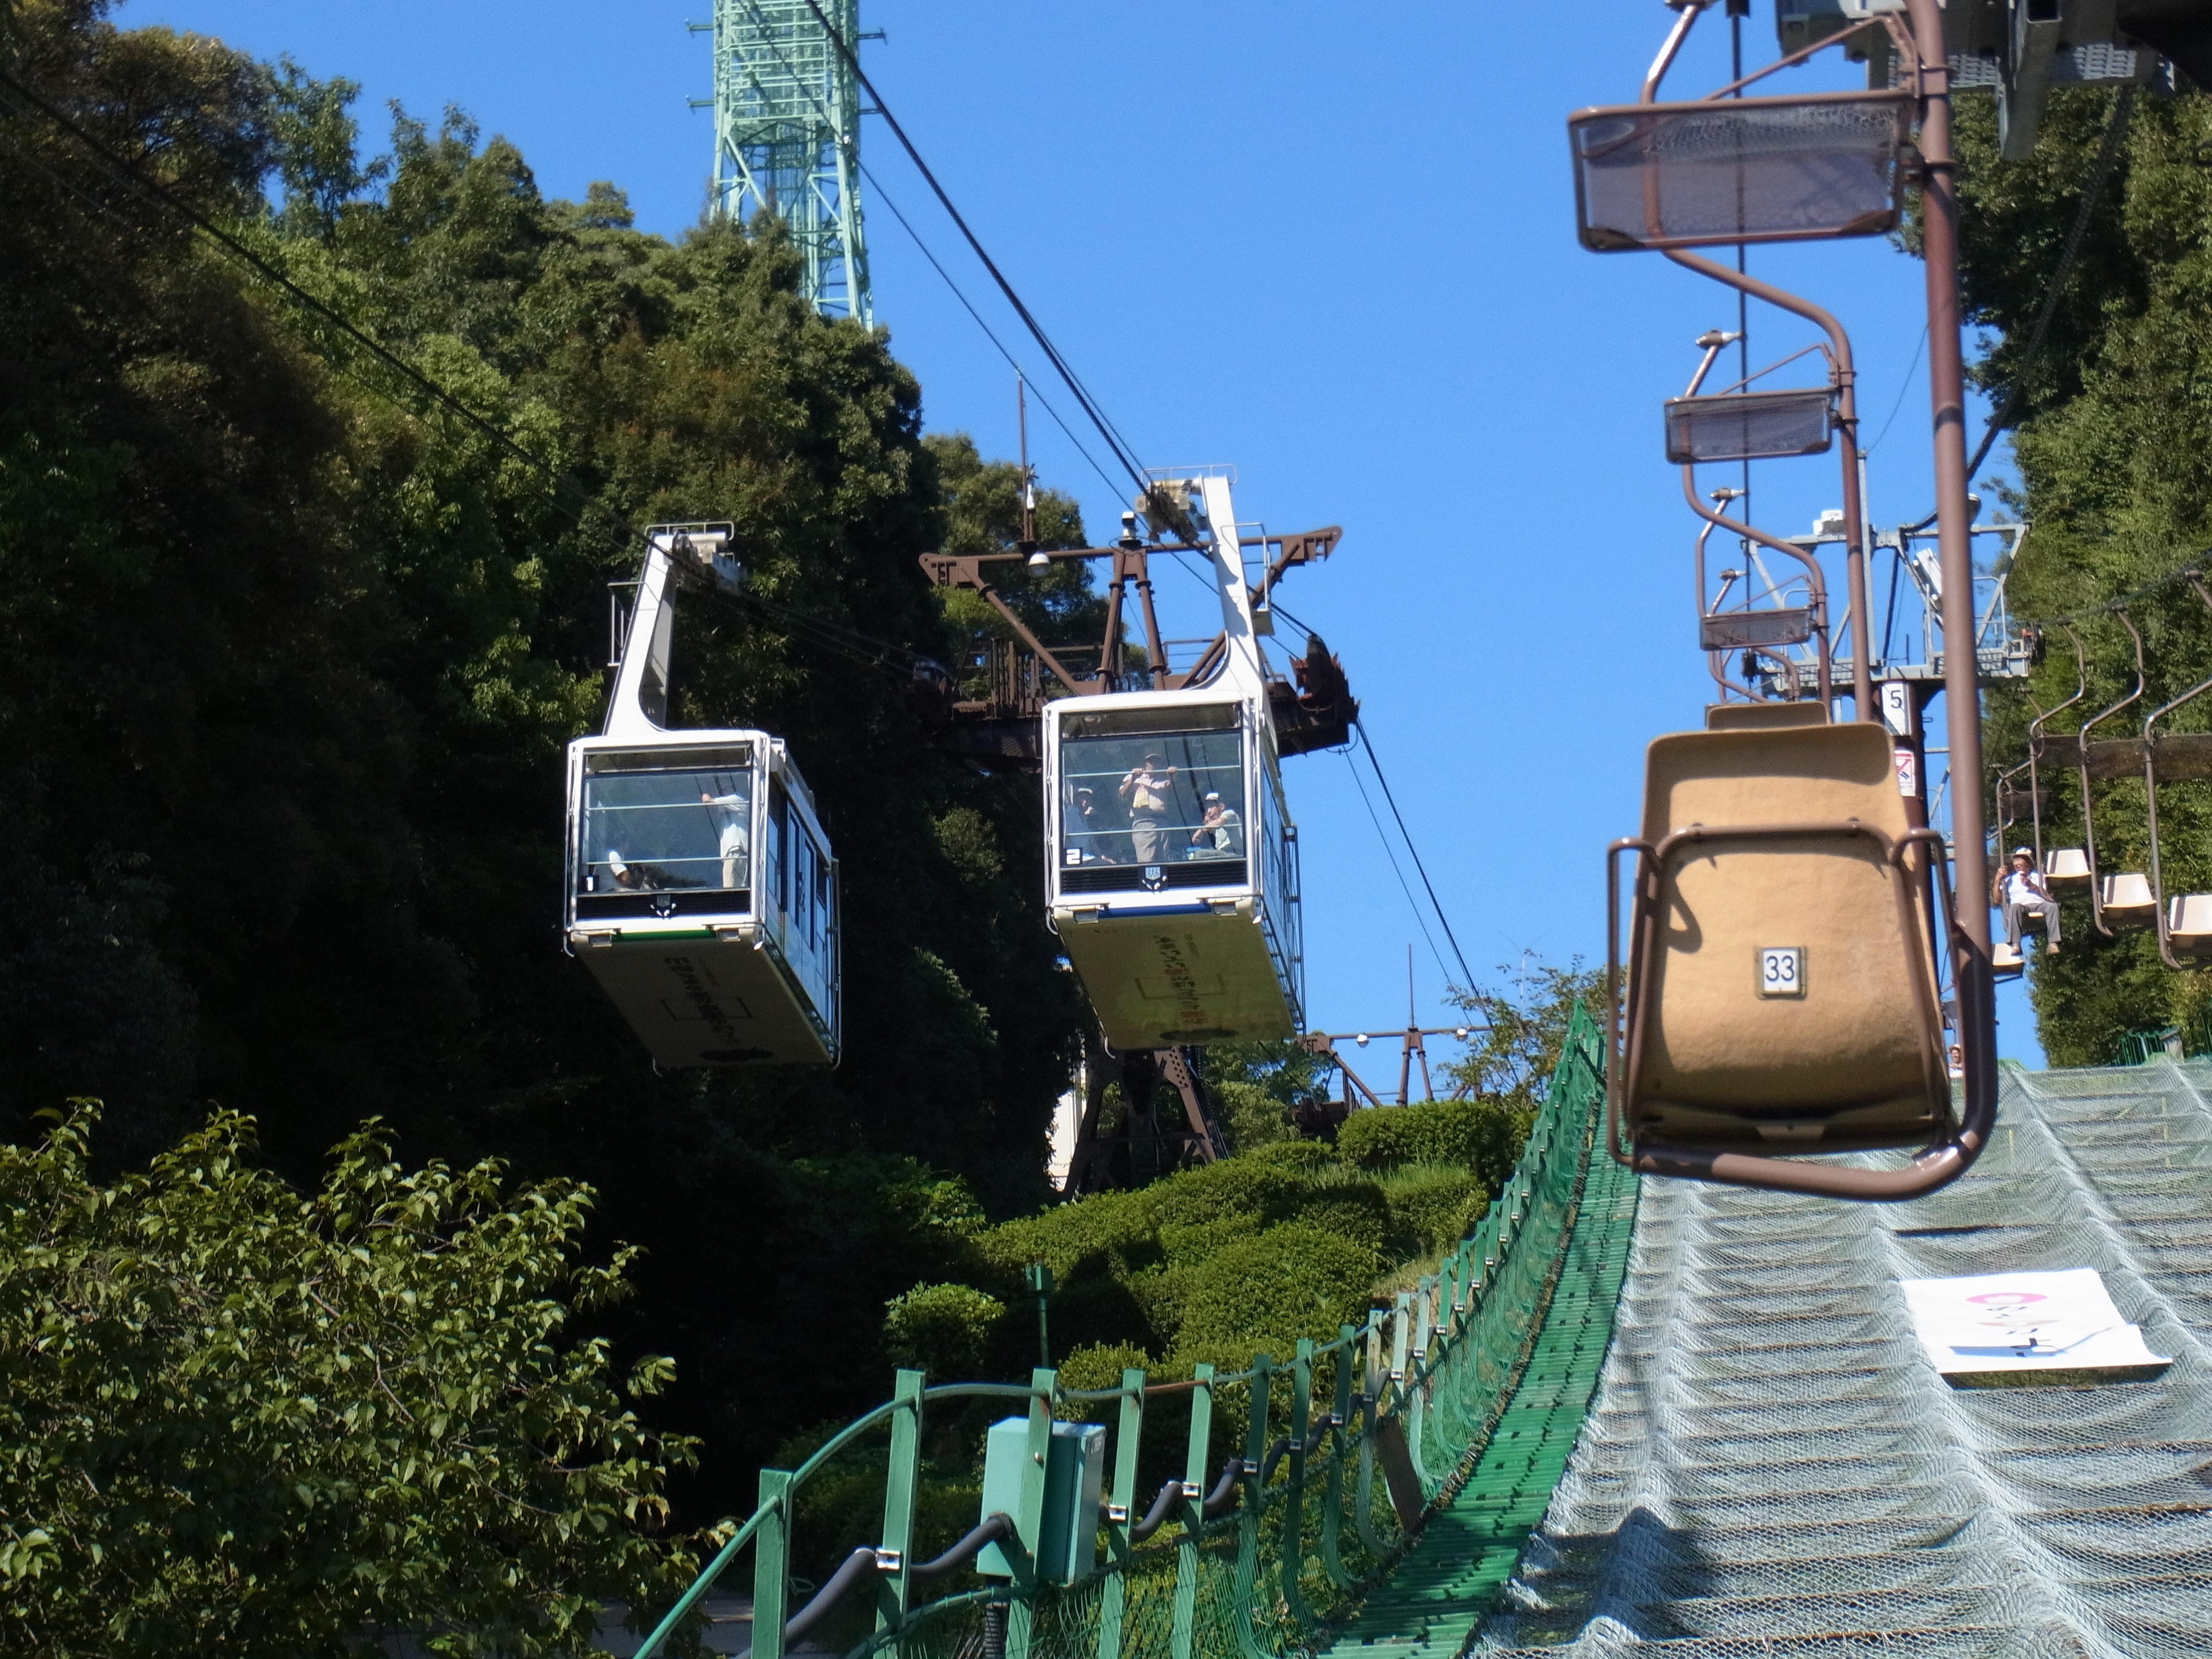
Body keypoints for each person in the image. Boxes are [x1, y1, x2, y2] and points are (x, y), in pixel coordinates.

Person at [1993, 846, 2061, 957]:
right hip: (2021, 907)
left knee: (2052, 906)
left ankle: (2053, 943)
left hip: (2039, 904)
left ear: (2028, 863)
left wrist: (2032, 886)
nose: (2016, 863)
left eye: (2020, 860)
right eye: (2015, 860)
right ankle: (2016, 944)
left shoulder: (2038, 876)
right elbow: (1997, 901)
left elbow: (2047, 896)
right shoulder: (2009, 880)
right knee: (2014, 907)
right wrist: (1998, 879)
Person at [1119, 751, 1176, 865]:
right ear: (1145, 763)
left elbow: (1174, 794)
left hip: (1162, 822)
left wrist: (1173, 776)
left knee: (1163, 860)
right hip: (1143, 822)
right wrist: (1134, 778)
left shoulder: (1164, 778)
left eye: (1156, 762)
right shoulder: (1133, 777)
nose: (1153, 764)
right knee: (1146, 861)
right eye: (1151, 762)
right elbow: (1121, 795)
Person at [702, 789, 750, 888]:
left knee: (730, 886)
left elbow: (714, 801)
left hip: (735, 849)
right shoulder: (729, 811)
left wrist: (710, 799)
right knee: (737, 885)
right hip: (737, 851)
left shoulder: (739, 800)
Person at [1188, 791, 1242, 859]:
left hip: (1233, 854)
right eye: (1207, 808)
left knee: (1200, 854)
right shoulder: (1215, 823)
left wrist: (1201, 831)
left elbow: (1221, 821)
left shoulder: (1229, 813)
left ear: (1222, 806)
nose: (1208, 811)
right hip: (1223, 854)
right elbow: (1210, 828)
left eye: (1211, 807)